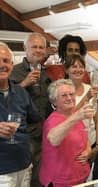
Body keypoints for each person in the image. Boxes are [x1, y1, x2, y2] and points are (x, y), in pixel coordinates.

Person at [10, 32, 51, 187]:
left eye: (42, 47)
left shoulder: (47, 72)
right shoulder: (13, 71)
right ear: (25, 48)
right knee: (22, 176)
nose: (39, 50)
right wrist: (23, 84)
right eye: (34, 46)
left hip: (44, 132)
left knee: (39, 176)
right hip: (22, 134)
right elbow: (5, 99)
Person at [0, 42, 42, 187]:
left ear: (12, 64)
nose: (2, 65)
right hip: (2, 171)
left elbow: (35, 118)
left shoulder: (21, 92)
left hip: (24, 164)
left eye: (6, 61)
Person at [39, 79, 93, 186]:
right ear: (54, 101)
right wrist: (77, 116)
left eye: (71, 94)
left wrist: (88, 149)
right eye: (64, 95)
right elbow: (53, 139)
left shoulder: (73, 114)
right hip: (60, 181)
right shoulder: (53, 120)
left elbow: (84, 136)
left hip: (81, 178)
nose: (69, 98)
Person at [64, 54, 98, 165]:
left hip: (91, 141)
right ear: (67, 70)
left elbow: (97, 120)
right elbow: (65, 119)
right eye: (74, 66)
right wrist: (86, 97)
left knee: (89, 179)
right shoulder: (63, 90)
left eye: (81, 66)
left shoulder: (90, 88)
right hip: (72, 144)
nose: (78, 69)